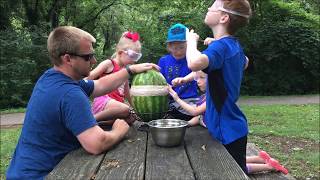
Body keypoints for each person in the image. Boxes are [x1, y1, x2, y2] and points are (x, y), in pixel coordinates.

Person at [6, 26, 159, 179]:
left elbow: (100, 85)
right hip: (43, 175)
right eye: (88, 57)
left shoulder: (51, 77)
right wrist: (119, 130)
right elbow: (96, 144)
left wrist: (130, 70)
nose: (94, 60)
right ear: (68, 59)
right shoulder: (70, 94)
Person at [185, 0, 255, 174]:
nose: (208, 8)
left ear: (223, 18)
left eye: (213, 6)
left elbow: (194, 63)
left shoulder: (222, 47)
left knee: (232, 174)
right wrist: (215, 44)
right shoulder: (233, 45)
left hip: (227, 131)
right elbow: (245, 62)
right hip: (234, 128)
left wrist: (191, 42)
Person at [86, 31, 142, 125]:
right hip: (103, 102)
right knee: (125, 109)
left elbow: (128, 94)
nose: (134, 61)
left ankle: (102, 123)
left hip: (116, 107)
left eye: (137, 57)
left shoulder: (125, 71)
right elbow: (90, 77)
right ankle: (92, 119)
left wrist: (138, 110)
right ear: (120, 53)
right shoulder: (109, 64)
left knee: (132, 118)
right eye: (133, 56)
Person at [158, 23, 199, 120]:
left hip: (190, 100)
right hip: (170, 101)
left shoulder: (192, 59)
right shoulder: (163, 61)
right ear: (169, 47)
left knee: (197, 112)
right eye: (175, 48)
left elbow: (198, 73)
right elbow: (160, 81)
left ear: (188, 46)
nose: (179, 51)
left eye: (182, 47)